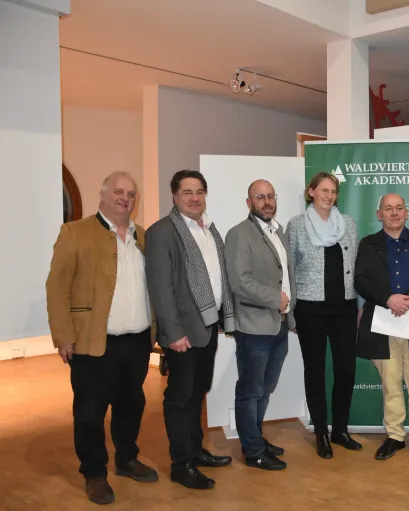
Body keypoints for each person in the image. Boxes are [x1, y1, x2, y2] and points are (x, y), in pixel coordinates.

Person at [46, 172, 158, 505]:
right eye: (119, 192)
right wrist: (63, 336)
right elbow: (57, 288)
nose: (126, 198)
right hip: (92, 343)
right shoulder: (74, 232)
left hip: (137, 341)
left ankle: (126, 459)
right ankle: (94, 473)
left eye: (132, 193)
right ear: (103, 194)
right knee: (90, 412)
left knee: (131, 404)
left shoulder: (141, 236)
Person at [145, 170, 235, 490]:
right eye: (187, 192)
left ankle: (196, 451)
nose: (194, 198)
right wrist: (173, 332)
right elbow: (161, 287)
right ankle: (181, 463)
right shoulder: (162, 232)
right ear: (174, 196)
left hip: (208, 328)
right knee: (180, 398)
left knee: (197, 393)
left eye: (199, 191)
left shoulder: (210, 230)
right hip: (183, 333)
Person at [354, 193, 409, 466]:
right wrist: (387, 298)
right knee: (390, 383)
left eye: (399, 208)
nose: (394, 213)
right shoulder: (368, 244)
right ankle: (394, 436)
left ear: (406, 213)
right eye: (388, 208)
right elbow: (360, 280)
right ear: (379, 214)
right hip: (382, 323)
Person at [286, 172, 363, 459]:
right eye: (324, 190)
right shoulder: (296, 226)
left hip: (344, 306)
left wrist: (361, 304)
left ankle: (340, 429)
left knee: (345, 369)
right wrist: (290, 310)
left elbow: (356, 266)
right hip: (310, 308)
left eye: (333, 191)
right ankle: (320, 430)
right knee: (315, 370)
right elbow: (289, 269)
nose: (329, 196)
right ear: (311, 192)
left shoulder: (349, 225)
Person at [225, 179, 295, 471]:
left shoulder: (278, 232)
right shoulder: (239, 234)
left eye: (270, 196)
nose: (266, 202)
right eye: (259, 197)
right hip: (254, 326)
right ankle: (252, 449)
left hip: (278, 325)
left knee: (266, 388)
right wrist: (275, 299)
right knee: (250, 390)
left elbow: (286, 274)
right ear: (249, 202)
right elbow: (240, 282)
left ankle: (256, 438)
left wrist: (290, 312)